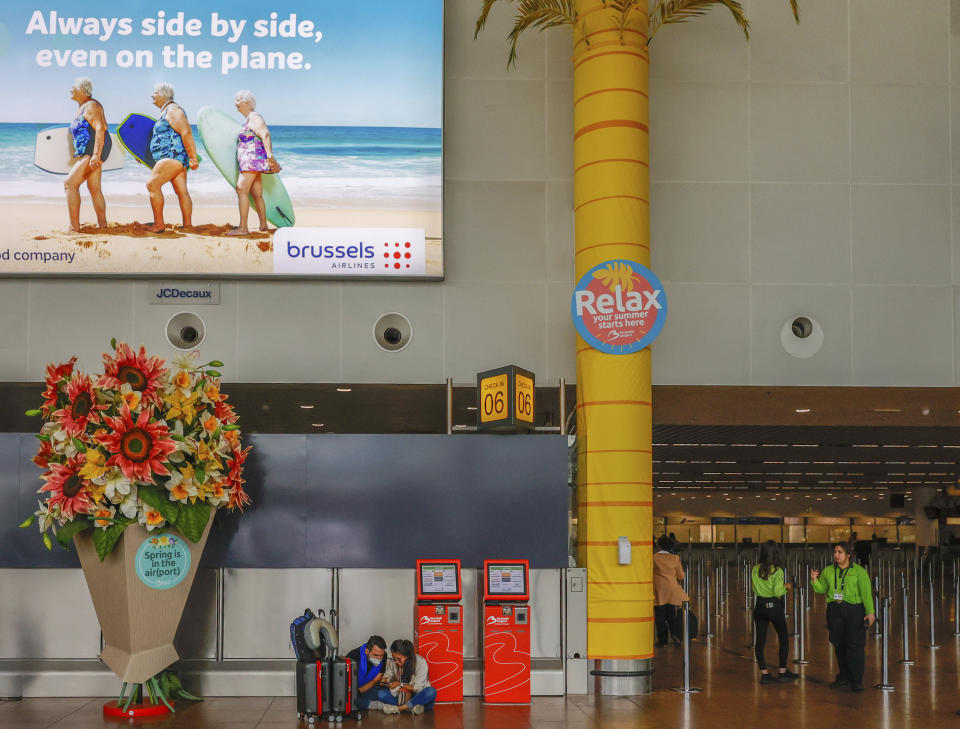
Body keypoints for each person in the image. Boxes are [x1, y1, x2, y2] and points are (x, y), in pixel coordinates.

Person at [810, 541, 876, 692]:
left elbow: (866, 593)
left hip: (854, 610)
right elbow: (821, 589)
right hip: (834, 610)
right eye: (835, 552)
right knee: (839, 644)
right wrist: (814, 580)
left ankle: (857, 680)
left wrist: (870, 612)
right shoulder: (828, 571)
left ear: (848, 555)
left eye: (840, 552)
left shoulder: (859, 572)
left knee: (854, 645)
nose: (836, 555)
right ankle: (844, 678)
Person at [145, 82, 199, 232]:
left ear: (163, 94)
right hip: (174, 158)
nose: (152, 96)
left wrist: (193, 157)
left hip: (172, 157)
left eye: (155, 92)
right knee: (182, 191)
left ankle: (159, 224)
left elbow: (186, 132)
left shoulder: (174, 110)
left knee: (152, 185)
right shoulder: (167, 111)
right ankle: (187, 225)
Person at [227, 89, 280, 236]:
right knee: (257, 194)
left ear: (248, 103)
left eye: (238, 99)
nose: (235, 103)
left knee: (241, 189)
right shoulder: (249, 119)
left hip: (252, 161)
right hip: (254, 161)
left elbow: (265, 134)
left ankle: (243, 228)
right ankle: (263, 226)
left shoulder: (254, 116)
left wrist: (270, 155)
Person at [64, 77, 110, 232]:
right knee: (94, 188)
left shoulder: (91, 106)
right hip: (90, 150)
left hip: (93, 150)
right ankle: (102, 225)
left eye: (73, 87)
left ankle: (73, 226)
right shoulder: (83, 106)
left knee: (70, 184)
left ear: (82, 90)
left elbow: (100, 128)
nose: (71, 90)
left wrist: (96, 155)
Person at [751, 540, 799, 684]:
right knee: (783, 637)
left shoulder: (755, 569)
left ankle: (764, 673)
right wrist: (788, 586)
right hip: (774, 606)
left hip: (759, 605)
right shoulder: (777, 571)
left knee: (760, 641)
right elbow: (777, 591)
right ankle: (782, 671)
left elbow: (754, 588)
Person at [376, 639, 436, 715]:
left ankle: (399, 708)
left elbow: (418, 688)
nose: (396, 662)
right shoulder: (394, 662)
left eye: (399, 659)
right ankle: (413, 707)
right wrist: (385, 680)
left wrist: (399, 684)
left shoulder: (420, 662)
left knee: (431, 692)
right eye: (394, 658)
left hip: (418, 695)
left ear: (407, 656)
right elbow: (388, 674)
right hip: (400, 696)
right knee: (381, 694)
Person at [653, 535, 688, 647]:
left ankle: (663, 641)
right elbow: (681, 576)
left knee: (660, 617)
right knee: (671, 615)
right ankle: (675, 635)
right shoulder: (675, 558)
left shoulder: (653, 558)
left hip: (658, 591)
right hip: (672, 591)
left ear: (659, 546)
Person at [345, 635, 387, 710]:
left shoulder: (384, 656)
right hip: (352, 690)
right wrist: (356, 693)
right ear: (367, 651)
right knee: (351, 699)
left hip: (370, 687)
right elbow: (345, 682)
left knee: (383, 694)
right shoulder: (353, 656)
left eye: (381, 655)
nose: (380, 659)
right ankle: (374, 705)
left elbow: (377, 679)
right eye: (376, 655)